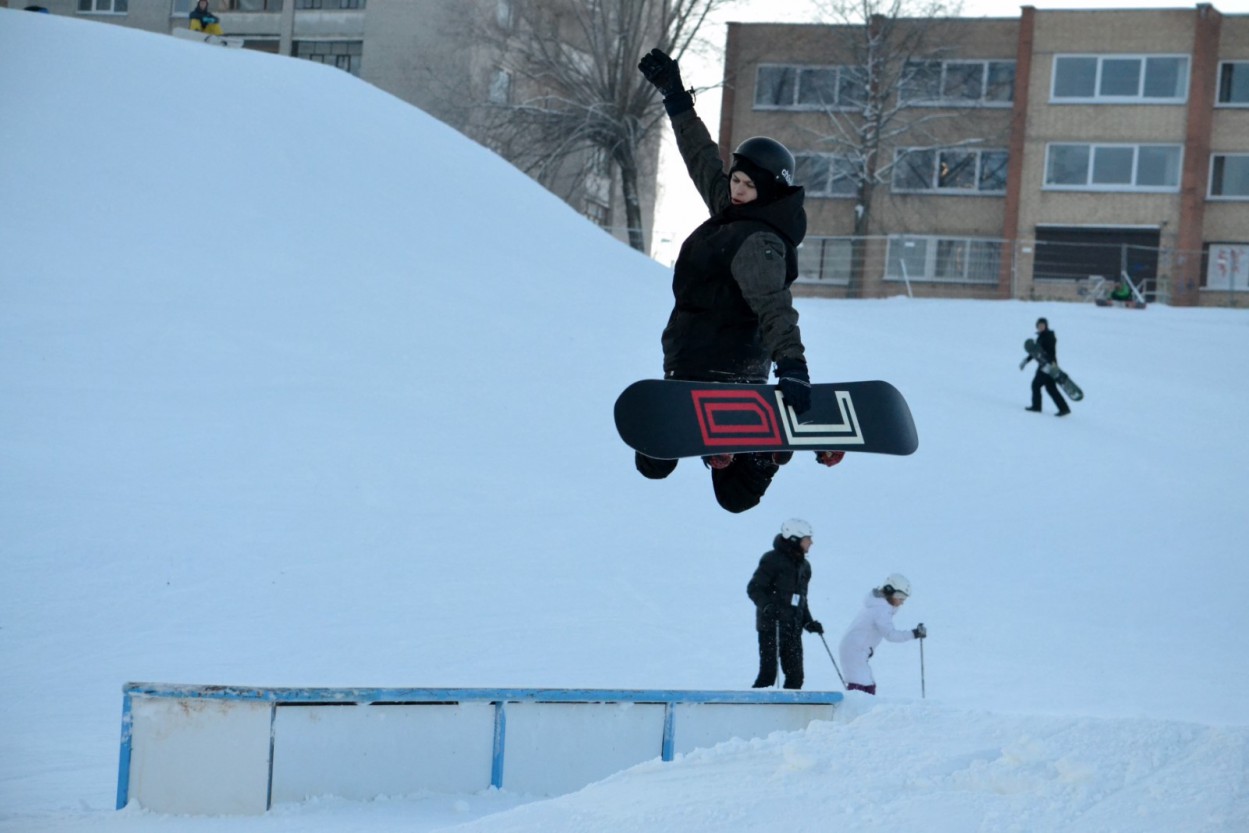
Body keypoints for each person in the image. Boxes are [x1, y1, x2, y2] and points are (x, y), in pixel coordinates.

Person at [635, 47, 843, 514]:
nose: (737, 189)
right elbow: (701, 157)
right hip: (692, 365)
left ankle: (757, 448)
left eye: (749, 185)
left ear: (767, 191)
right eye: (736, 180)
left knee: (699, 480)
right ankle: (746, 451)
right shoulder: (732, 211)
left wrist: (792, 366)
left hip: (723, 370)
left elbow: (774, 304)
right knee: (689, 479)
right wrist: (675, 98)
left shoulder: (758, 241)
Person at [746, 518, 824, 690]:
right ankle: (756, 704)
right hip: (771, 626)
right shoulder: (772, 559)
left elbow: (801, 599)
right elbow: (754, 588)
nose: (811, 543)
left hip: (793, 629)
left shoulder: (804, 566)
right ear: (794, 539)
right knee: (768, 676)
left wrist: (808, 622)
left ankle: (789, 706)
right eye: (807, 539)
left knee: (796, 677)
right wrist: (767, 606)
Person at [837, 573, 925, 695]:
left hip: (856, 650)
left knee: (868, 686)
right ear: (890, 591)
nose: (902, 602)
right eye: (900, 597)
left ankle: (860, 706)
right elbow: (891, 635)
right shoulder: (881, 609)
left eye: (904, 598)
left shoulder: (879, 605)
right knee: (861, 686)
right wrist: (914, 634)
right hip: (855, 651)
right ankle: (855, 706)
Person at [1020, 317, 1070, 416]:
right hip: (1045, 365)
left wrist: (1049, 363)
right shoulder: (1041, 337)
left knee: (1035, 385)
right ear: (1037, 326)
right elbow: (1035, 351)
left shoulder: (1049, 336)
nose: (1041, 327)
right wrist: (1026, 360)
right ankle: (1064, 408)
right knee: (1050, 388)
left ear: (1046, 326)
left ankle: (1036, 407)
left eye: (1043, 325)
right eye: (1039, 325)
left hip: (1047, 365)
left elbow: (1048, 351)